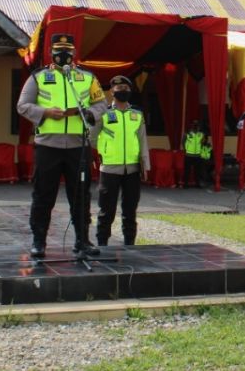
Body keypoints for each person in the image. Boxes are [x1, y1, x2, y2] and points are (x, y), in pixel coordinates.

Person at [16, 32, 107, 259]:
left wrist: (89, 113)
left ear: (74, 53)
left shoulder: (87, 78)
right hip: (48, 146)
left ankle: (82, 240)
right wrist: (45, 112)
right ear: (51, 53)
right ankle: (39, 241)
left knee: (81, 195)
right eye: (58, 52)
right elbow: (23, 105)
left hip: (78, 145)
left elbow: (101, 104)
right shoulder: (38, 77)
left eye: (67, 52)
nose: (63, 55)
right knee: (43, 194)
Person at [92, 75, 149, 248]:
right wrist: (101, 153)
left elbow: (142, 140)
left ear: (130, 91)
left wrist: (145, 165)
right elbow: (92, 138)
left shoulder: (137, 114)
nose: (122, 91)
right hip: (109, 169)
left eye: (125, 88)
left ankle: (129, 243)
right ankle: (102, 244)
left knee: (130, 210)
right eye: (118, 89)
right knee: (106, 211)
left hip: (132, 169)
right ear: (111, 92)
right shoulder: (104, 114)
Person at [182, 119, 206, 188]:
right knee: (187, 171)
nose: (196, 127)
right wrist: (186, 149)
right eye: (194, 125)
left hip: (197, 155)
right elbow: (183, 142)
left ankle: (197, 184)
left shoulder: (201, 134)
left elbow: (203, 142)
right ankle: (185, 184)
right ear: (192, 126)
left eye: (196, 125)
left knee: (197, 171)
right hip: (189, 155)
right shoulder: (187, 134)